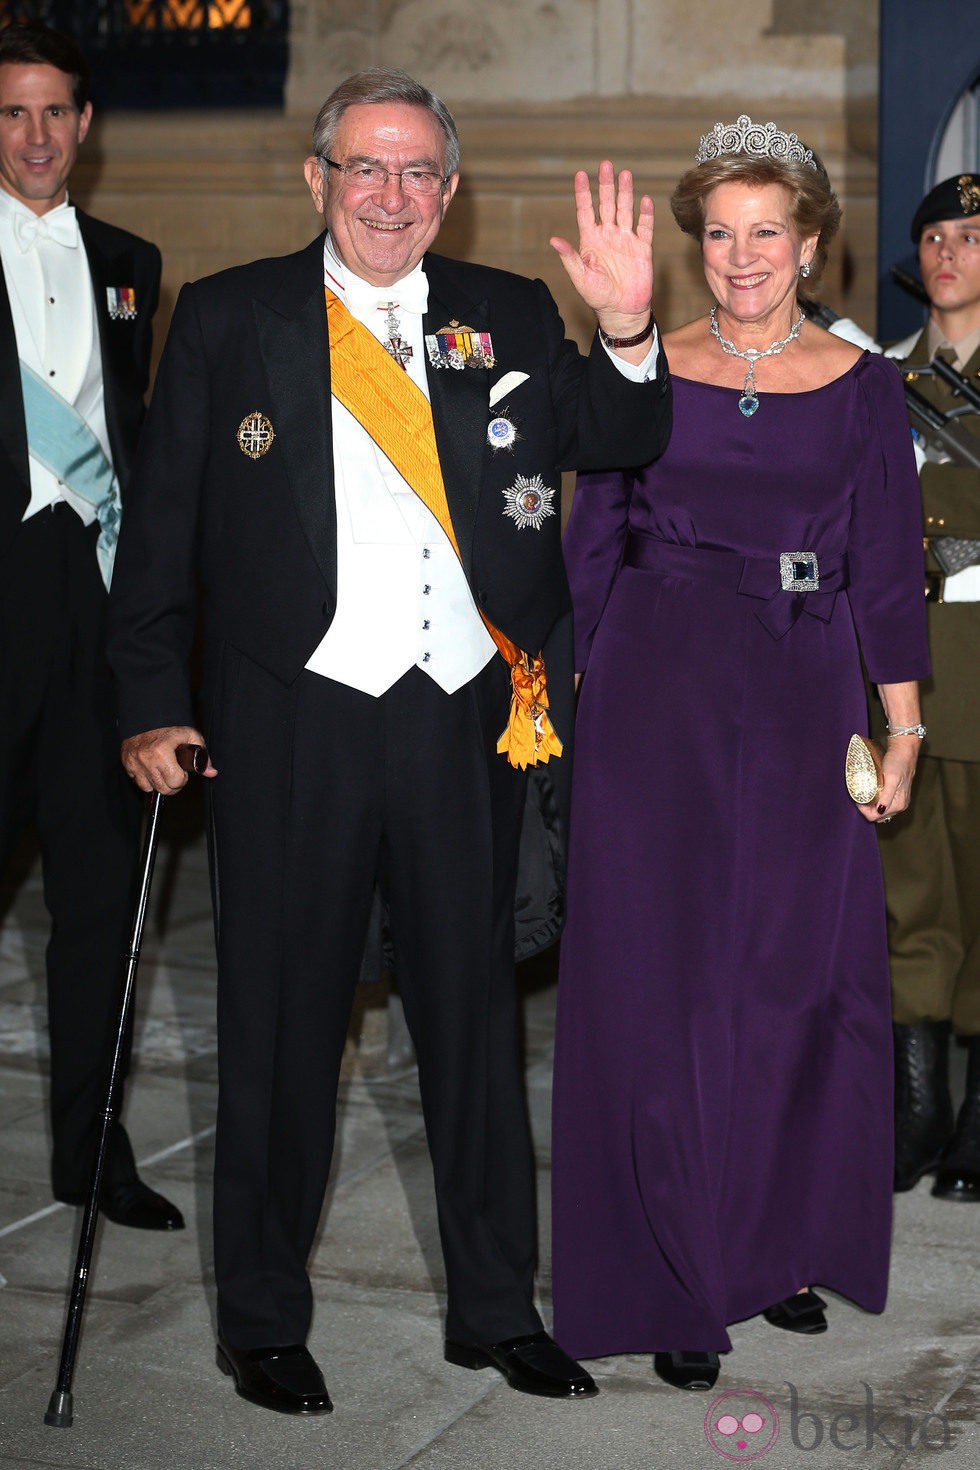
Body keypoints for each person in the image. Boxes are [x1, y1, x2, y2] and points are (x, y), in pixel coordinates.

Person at [106, 68, 671, 1415]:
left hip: (463, 720)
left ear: (451, 191)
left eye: (419, 172)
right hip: (294, 718)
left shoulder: (508, 314)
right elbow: (164, 519)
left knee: (475, 1027)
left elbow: (628, 430)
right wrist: (144, 694)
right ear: (317, 180)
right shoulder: (235, 317)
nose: (391, 196)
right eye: (365, 167)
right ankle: (262, 1313)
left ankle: (493, 1307)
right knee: (282, 1026)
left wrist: (634, 323)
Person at [551, 114, 929, 1393]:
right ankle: (665, 1273)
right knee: (655, 990)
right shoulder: (641, 363)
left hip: (806, 680)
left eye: (766, 231)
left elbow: (887, 565)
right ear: (693, 246)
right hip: (654, 687)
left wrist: (903, 725)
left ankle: (770, 1248)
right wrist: (576, 696)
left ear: (811, 242)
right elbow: (589, 537)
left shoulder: (867, 383)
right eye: (717, 233)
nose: (741, 255)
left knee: (786, 979)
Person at [0, 22, 182, 1231]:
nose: (37, 137)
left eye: (56, 112)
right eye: (13, 113)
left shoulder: (131, 260)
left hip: (100, 606)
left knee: (104, 895)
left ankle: (89, 1146)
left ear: (88, 122)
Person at [879, 174, 980, 1202]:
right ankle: (915, 1110)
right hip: (903, 672)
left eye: (969, 235)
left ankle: (977, 1122)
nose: (947, 252)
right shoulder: (878, 375)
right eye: (934, 237)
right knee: (906, 895)